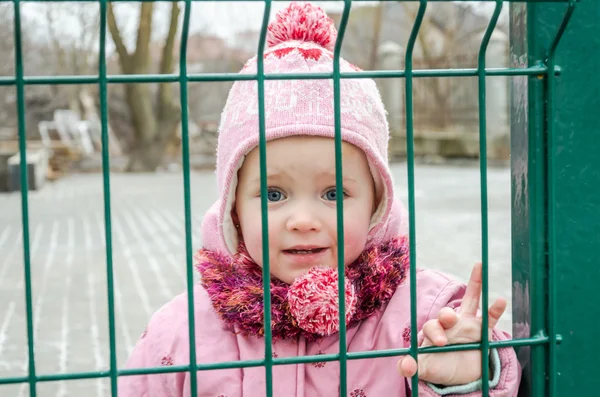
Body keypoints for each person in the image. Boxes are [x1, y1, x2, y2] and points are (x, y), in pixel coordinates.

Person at [118, 2, 521, 396]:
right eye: (274, 194)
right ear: (233, 210)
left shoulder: (426, 315)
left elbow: (486, 368)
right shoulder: (182, 333)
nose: (303, 219)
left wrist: (468, 375)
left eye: (334, 193)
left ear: (377, 206)